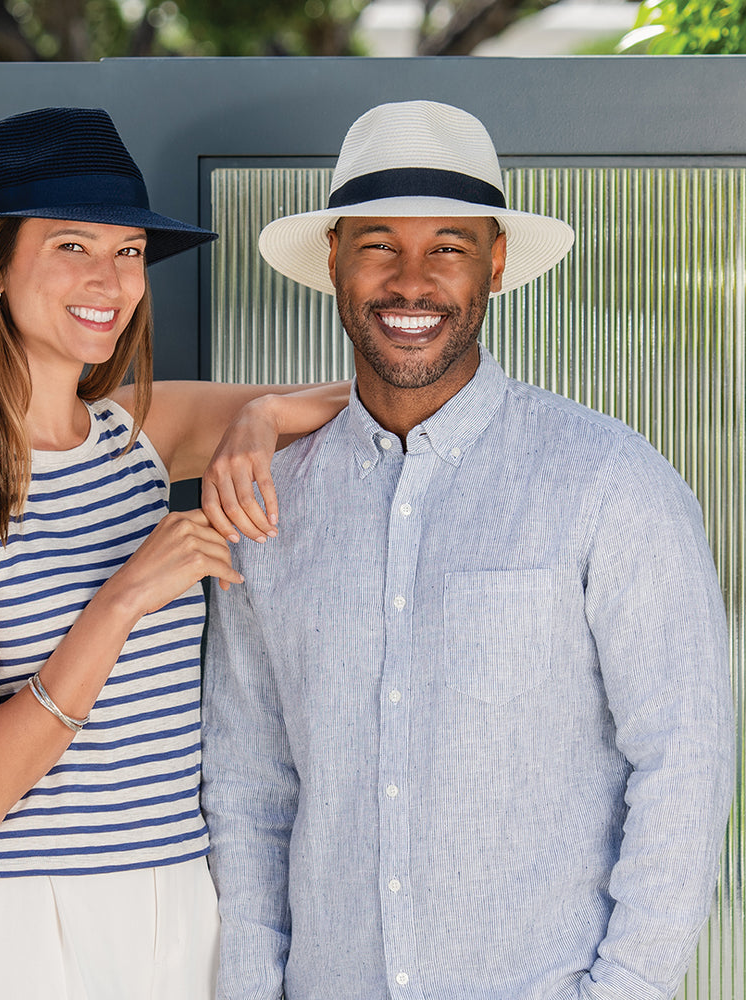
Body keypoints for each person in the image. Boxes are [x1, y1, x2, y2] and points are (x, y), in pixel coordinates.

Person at [201, 100, 736, 1000]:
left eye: (447, 246)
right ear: (334, 260)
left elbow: (685, 763)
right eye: (378, 244)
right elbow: (251, 785)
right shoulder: (268, 502)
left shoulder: (609, 484)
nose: (411, 282)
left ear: (493, 265)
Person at [0, 106, 347, 1000]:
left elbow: (354, 408)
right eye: (73, 247)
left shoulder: (138, 432)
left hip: (178, 893)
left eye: (129, 252)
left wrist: (259, 416)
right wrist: (124, 597)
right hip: (25, 914)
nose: (112, 279)